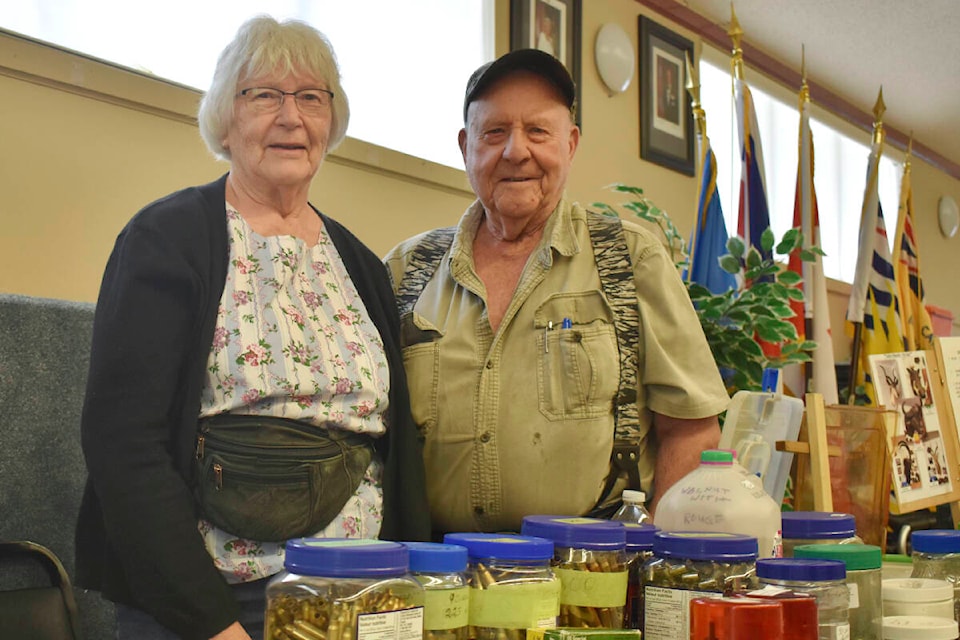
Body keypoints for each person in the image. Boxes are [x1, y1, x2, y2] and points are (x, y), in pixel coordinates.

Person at [75, 15, 430, 640]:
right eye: (264, 94)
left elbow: (395, 452)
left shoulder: (363, 266)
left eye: (310, 97)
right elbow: (123, 443)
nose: (290, 116)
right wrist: (212, 624)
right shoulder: (167, 240)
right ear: (225, 119)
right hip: (210, 605)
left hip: (358, 599)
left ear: (331, 120)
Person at [384, 49, 728, 535]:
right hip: (437, 577)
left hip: (595, 581)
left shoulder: (631, 260)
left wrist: (658, 565)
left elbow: (690, 430)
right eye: (495, 132)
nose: (516, 151)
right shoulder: (404, 270)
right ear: (466, 147)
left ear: (570, 144)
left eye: (538, 131)